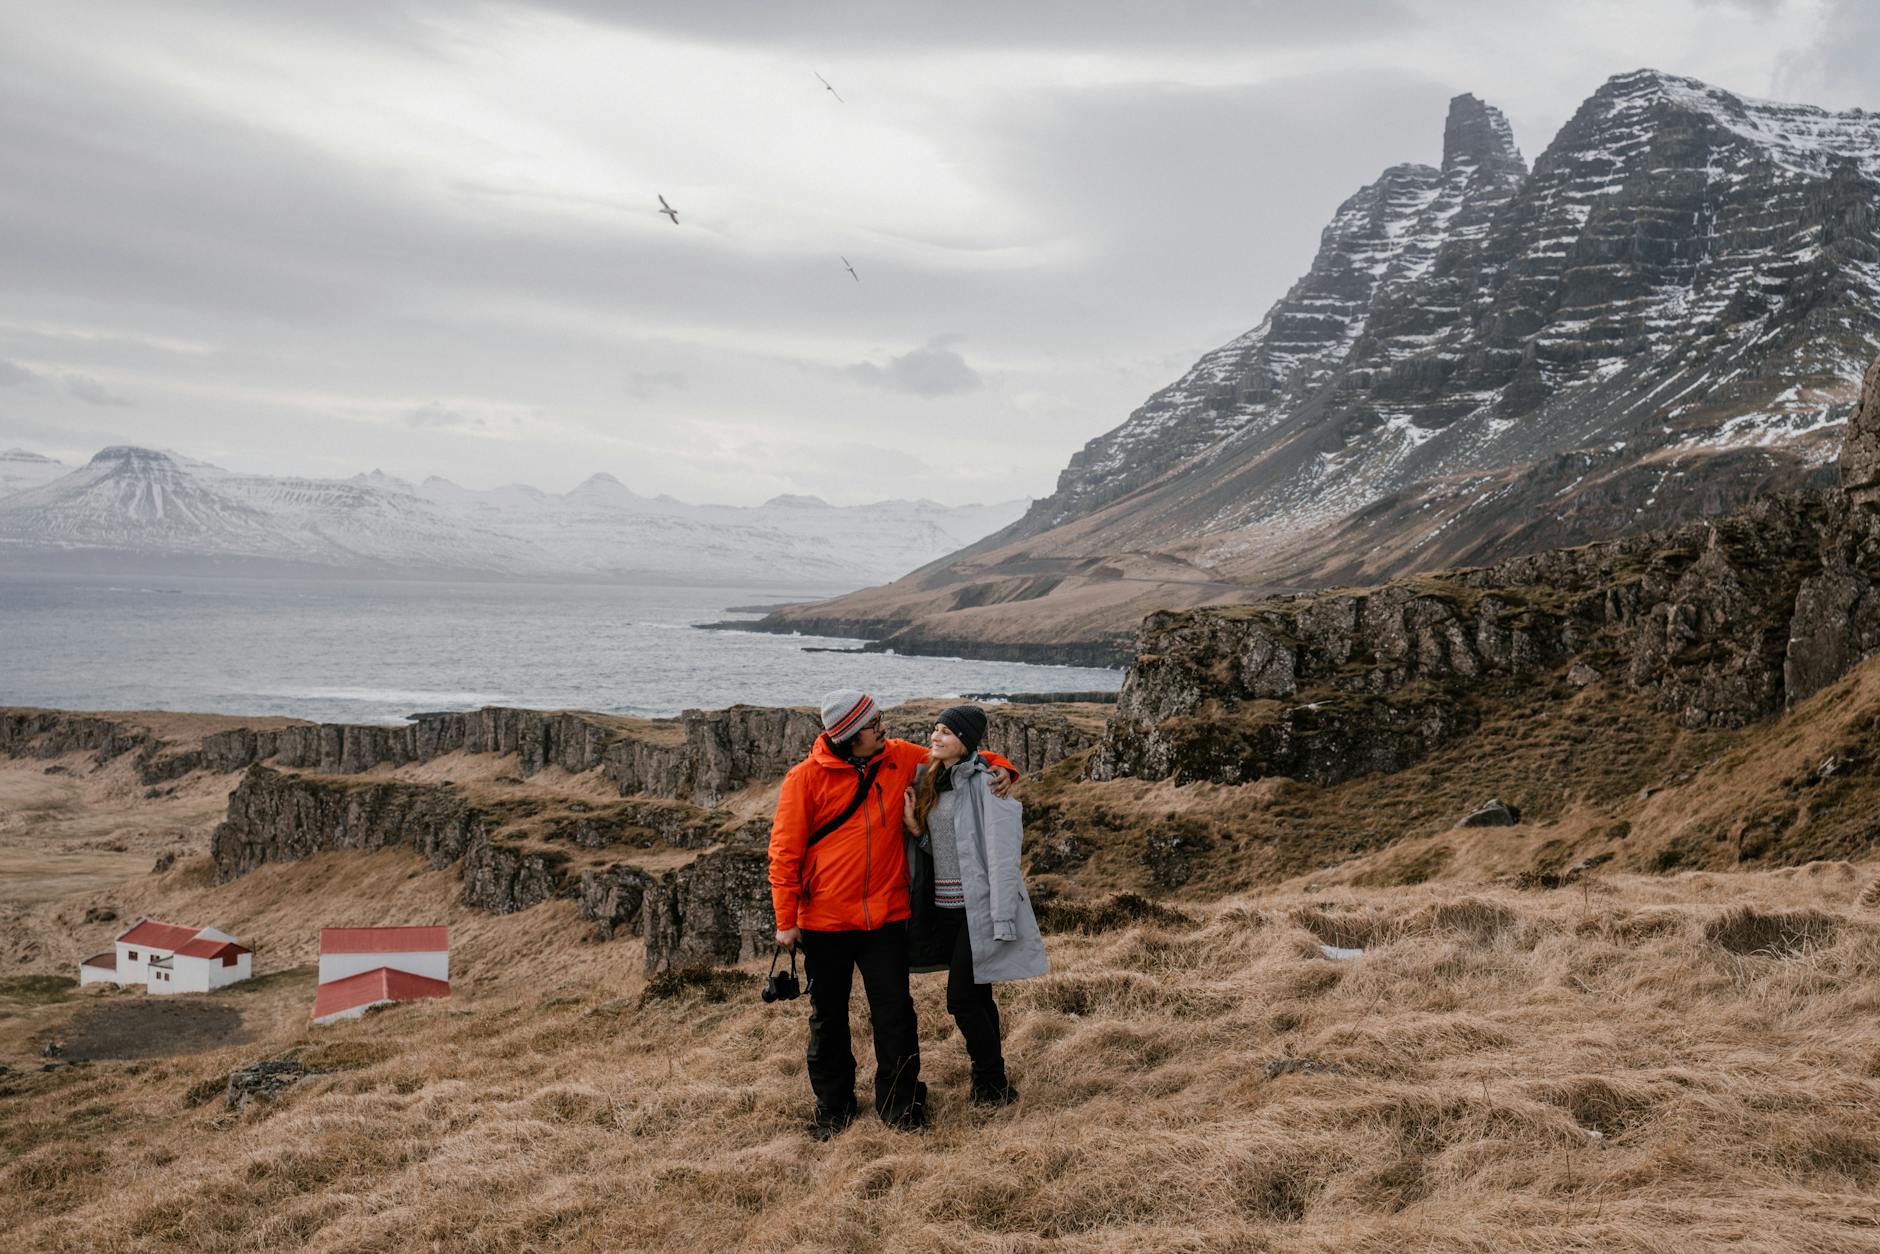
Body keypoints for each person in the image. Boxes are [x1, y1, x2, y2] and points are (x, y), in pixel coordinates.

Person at [769, 690, 1018, 1139]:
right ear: (848, 736)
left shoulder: (898, 757)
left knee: (895, 1016)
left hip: (885, 920)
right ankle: (834, 1108)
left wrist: (1003, 768)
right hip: (825, 923)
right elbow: (785, 854)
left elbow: (957, 752)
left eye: (881, 719)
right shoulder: (803, 780)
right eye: (874, 724)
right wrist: (787, 921)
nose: (884, 728)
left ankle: (900, 1107)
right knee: (828, 1018)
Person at [902, 704, 1049, 1107]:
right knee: (979, 997)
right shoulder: (932, 777)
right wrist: (918, 832)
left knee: (961, 999)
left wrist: (1002, 917)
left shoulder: (987, 783)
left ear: (964, 741)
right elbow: (946, 850)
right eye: (934, 729)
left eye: (946, 732)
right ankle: (994, 1085)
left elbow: (1003, 857)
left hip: (977, 910)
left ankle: (989, 1079)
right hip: (944, 908)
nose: (935, 738)